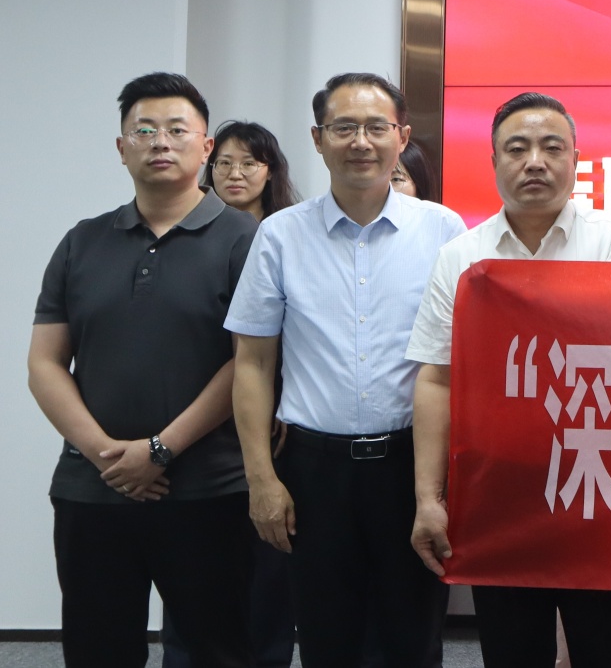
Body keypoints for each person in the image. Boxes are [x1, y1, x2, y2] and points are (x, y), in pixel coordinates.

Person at [226, 73, 468, 668]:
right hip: (313, 472)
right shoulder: (280, 235)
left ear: (401, 137)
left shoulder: (444, 230)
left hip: (412, 466)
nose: (361, 141)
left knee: (414, 638)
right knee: (326, 639)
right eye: (344, 127)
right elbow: (253, 363)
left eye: (376, 127)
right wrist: (261, 480)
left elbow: (461, 361)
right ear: (318, 139)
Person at [408, 93, 611, 668]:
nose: (535, 162)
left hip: (600, 483)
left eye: (551, 147)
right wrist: (428, 498)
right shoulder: (461, 256)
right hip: (501, 492)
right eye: (517, 149)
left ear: (576, 159)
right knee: (513, 651)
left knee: (610, 651)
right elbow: (436, 379)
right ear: (494, 161)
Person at [29, 73, 259, 668]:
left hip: (209, 489)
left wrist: (160, 449)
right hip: (92, 489)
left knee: (218, 650)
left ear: (205, 146)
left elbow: (250, 362)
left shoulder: (249, 240)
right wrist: (108, 455)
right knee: (97, 650)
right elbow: (45, 363)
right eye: (144, 130)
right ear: (121, 147)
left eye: (177, 130)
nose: (160, 141)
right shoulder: (81, 242)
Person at [163, 121, 305, 668]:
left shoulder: (291, 236)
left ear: (271, 171)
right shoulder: (183, 238)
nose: (234, 173)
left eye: (249, 162)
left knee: (268, 568)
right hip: (199, 428)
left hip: (277, 428)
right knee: (192, 575)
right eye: (223, 162)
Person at [207, 120, 301, 221]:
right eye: (225, 163)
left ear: (270, 171)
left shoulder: (287, 225)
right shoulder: (198, 225)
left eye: (248, 164)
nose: (235, 175)